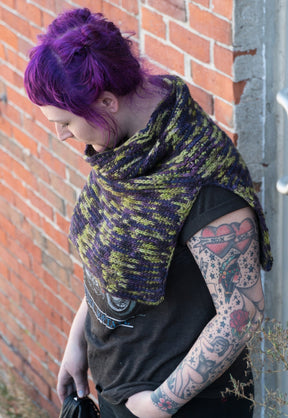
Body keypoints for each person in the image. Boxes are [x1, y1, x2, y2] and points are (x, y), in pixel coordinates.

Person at [24, 8, 273, 418]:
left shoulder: (203, 180)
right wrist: (78, 341)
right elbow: (110, 259)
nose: (61, 134)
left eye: (65, 121)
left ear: (107, 101)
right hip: (117, 391)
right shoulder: (125, 156)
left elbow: (241, 312)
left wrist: (159, 405)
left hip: (182, 407)